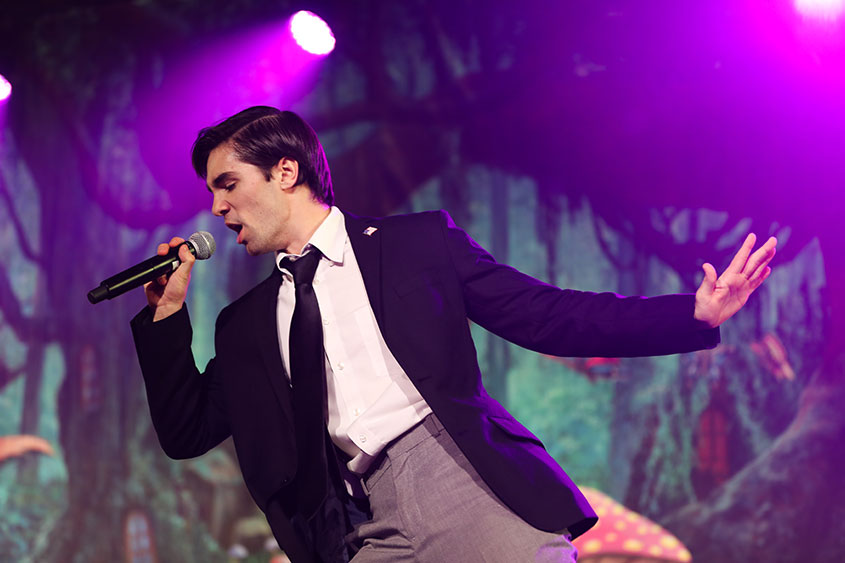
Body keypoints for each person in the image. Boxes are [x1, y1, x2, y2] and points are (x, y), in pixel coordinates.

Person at [130, 106, 777, 563]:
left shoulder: (415, 245)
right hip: (361, 519)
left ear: (284, 172)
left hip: (459, 477)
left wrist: (689, 314)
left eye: (228, 184)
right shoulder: (244, 323)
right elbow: (187, 431)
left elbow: (546, 314)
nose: (216, 207)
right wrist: (165, 316)